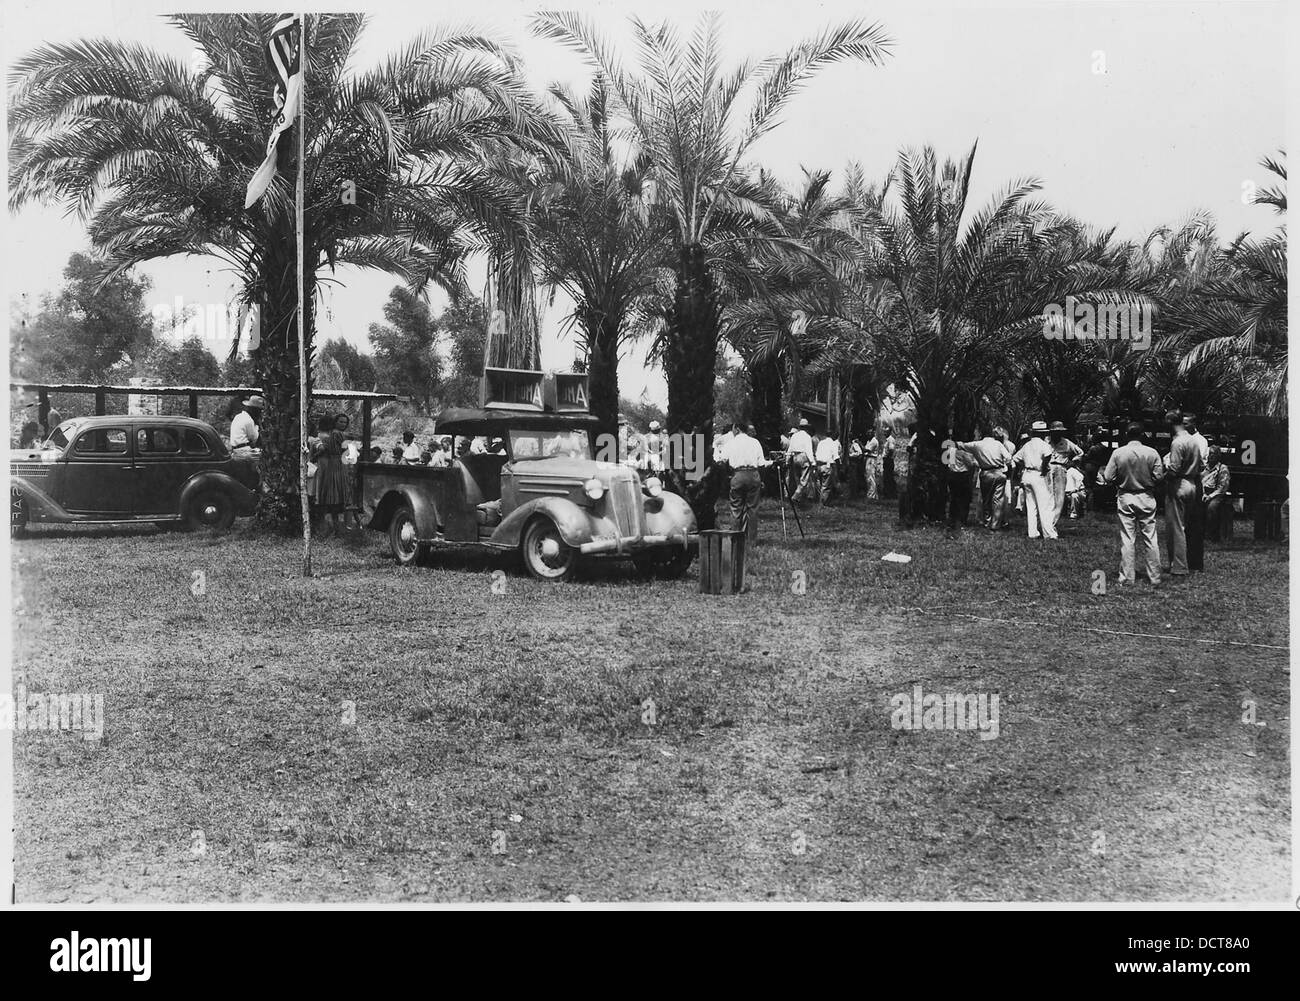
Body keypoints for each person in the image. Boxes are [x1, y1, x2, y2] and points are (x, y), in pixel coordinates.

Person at [1097, 422, 1165, 585]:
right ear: (1142, 435)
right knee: (1150, 537)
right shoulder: (1152, 452)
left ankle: (1127, 577)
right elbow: (1159, 477)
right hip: (1146, 496)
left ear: (1126, 435)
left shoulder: (1118, 453)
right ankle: (1155, 576)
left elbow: (1107, 476)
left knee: (1128, 538)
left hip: (1126, 495)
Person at [1162, 410, 1203, 576]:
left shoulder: (1177, 442)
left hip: (1179, 484)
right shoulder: (1193, 441)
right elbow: (1201, 465)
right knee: (1186, 526)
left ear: (1171, 423)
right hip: (1192, 483)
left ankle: (1179, 566)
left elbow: (1174, 469)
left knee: (1175, 528)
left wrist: (1160, 478)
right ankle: (1188, 562)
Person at [722, 420, 769, 544]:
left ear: (737, 429)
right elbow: (762, 463)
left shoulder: (731, 443)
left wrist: (728, 475)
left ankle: (735, 540)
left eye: (732, 429)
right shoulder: (755, 442)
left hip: (737, 474)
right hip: (753, 474)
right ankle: (752, 540)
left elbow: (722, 460)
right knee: (752, 509)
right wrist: (760, 479)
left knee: (736, 508)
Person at [958, 424, 1012, 530]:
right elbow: (1009, 458)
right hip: (999, 472)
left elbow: (962, 445)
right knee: (998, 500)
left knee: (986, 499)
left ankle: (987, 521)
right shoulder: (998, 444)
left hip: (986, 473)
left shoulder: (977, 444)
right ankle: (995, 524)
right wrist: (1006, 469)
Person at [1009, 420, 1057, 539]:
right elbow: (1048, 455)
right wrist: (1044, 467)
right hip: (1039, 475)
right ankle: (1049, 534)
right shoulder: (1044, 445)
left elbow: (1015, 458)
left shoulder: (1027, 445)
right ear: (1042, 433)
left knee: (1031, 505)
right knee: (1045, 505)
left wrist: (1025, 465)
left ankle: (1033, 532)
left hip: (1027, 474)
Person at [312, 416, 349, 537]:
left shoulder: (332, 434)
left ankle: (335, 528)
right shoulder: (337, 434)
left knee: (333, 497)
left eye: (345, 422)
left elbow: (325, 448)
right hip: (337, 464)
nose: (343, 424)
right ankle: (337, 528)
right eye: (340, 422)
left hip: (334, 464)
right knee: (336, 497)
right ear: (335, 422)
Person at [1046, 421, 1083, 530]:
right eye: (1054, 432)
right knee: (1047, 495)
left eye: (1059, 432)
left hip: (1061, 469)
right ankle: (1046, 521)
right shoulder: (1046, 441)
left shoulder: (1067, 443)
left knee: (1059, 496)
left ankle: (1053, 523)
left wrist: (1072, 462)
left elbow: (1080, 453)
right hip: (1047, 468)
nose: (1056, 434)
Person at [1183, 413, 1209, 571]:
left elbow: (1196, 462)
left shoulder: (1200, 441)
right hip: (1186, 481)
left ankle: (1195, 563)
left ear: (1193, 424)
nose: (1183, 426)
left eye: (1186, 424)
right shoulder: (1183, 439)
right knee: (1185, 523)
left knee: (1195, 524)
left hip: (1195, 480)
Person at [940, 429, 978, 528]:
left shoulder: (950, 450)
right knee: (964, 499)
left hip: (952, 474)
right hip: (962, 476)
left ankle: (952, 518)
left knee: (954, 497)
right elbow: (971, 464)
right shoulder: (964, 452)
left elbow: (945, 461)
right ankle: (962, 519)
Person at [1202, 445, 1231, 542]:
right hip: (1203, 493)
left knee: (1211, 507)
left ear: (1218, 456)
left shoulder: (1222, 469)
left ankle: (1211, 534)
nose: (1211, 456)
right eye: (1210, 454)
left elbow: (1222, 487)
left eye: (1213, 454)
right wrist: (1203, 494)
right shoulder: (1203, 468)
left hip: (1216, 494)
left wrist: (1210, 496)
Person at [787, 419, 815, 503]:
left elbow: (790, 449)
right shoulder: (807, 436)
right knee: (804, 479)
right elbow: (808, 450)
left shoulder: (794, 436)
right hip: (803, 456)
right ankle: (796, 496)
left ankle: (798, 499)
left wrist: (787, 460)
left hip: (795, 456)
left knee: (797, 478)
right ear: (806, 428)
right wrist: (812, 461)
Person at [814, 431, 840, 504]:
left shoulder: (821, 443)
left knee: (819, 483)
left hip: (819, 465)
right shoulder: (833, 444)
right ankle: (823, 502)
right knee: (826, 485)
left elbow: (817, 454)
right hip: (827, 465)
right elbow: (836, 457)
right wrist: (839, 467)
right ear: (832, 436)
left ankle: (819, 500)